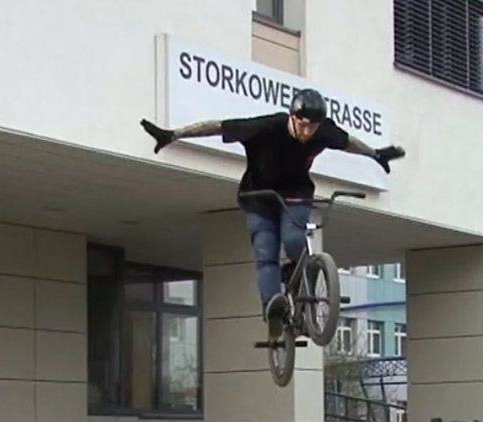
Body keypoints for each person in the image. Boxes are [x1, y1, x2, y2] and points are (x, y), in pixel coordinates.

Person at [139, 89, 405, 339]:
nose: (307, 132)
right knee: (266, 252)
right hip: (259, 196)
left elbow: (348, 143)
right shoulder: (267, 127)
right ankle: (273, 307)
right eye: (303, 125)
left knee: (293, 238)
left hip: (296, 194)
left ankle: (304, 284)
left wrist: (376, 154)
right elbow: (217, 126)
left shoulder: (322, 131)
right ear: (292, 117)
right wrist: (174, 134)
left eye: (312, 127)